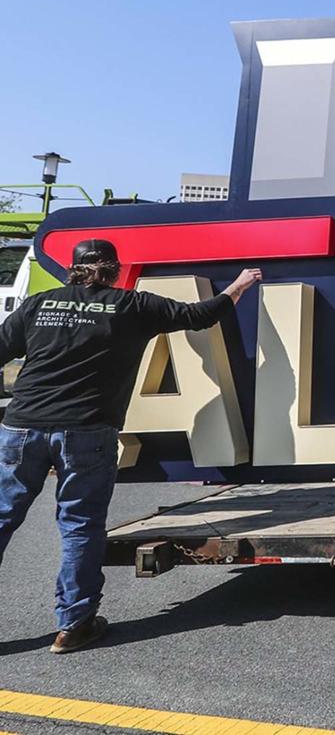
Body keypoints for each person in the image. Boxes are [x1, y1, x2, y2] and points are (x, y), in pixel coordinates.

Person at [0, 239, 261, 653]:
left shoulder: (39, 305)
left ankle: (71, 624)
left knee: (1, 519)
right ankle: (74, 626)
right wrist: (239, 286)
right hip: (86, 431)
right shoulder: (131, 306)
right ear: (115, 270)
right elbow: (199, 316)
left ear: (72, 269)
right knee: (80, 526)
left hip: (20, 428)